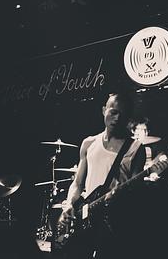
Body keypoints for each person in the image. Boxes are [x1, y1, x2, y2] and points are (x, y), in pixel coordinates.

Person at [57, 92, 147, 258]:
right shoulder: (89, 143)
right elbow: (77, 184)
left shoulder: (135, 148)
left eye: (123, 114)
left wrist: (121, 196)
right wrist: (69, 204)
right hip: (87, 217)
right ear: (104, 110)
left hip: (115, 222)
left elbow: (136, 191)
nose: (117, 118)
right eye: (113, 112)